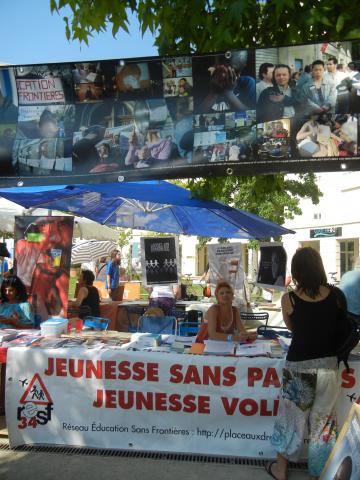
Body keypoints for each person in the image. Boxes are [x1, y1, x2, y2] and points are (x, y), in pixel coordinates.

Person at [266, 247, 344, 480]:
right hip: (329, 367)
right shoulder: (337, 295)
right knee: (323, 425)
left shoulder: (289, 299)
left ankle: (281, 470)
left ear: (296, 270)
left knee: (291, 421)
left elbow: (294, 330)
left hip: (299, 368)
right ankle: (318, 474)